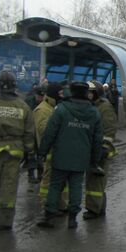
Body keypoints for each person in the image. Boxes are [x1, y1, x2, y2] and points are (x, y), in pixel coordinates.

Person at [36, 81, 103, 229]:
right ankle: (72, 219)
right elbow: (97, 139)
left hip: (60, 156)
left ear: (71, 92)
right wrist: (94, 161)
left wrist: (42, 152)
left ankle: (49, 217)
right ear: (86, 93)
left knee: (55, 186)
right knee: (76, 187)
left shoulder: (61, 109)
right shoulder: (94, 112)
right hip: (81, 157)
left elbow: (50, 133)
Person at [0, 70, 35, 231]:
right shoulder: (23, 105)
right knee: (9, 186)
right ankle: (4, 222)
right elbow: (29, 132)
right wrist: (30, 152)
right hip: (15, 151)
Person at [83, 80, 118, 220]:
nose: (88, 95)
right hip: (93, 149)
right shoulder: (92, 106)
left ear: (96, 93)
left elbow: (109, 129)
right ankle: (97, 207)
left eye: (90, 92)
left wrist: (104, 148)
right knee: (92, 180)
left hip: (102, 151)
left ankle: (94, 209)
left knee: (96, 181)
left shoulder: (104, 107)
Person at [34, 82, 67, 211]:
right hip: (49, 152)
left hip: (58, 150)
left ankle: (62, 205)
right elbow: (44, 131)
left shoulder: (55, 107)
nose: (62, 96)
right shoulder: (42, 109)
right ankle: (47, 207)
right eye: (60, 94)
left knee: (61, 180)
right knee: (48, 181)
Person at [24, 84, 46, 183]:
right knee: (31, 154)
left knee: (41, 154)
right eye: (39, 96)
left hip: (39, 132)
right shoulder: (28, 101)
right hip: (30, 131)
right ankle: (31, 175)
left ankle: (41, 174)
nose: (40, 99)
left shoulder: (46, 103)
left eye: (42, 96)